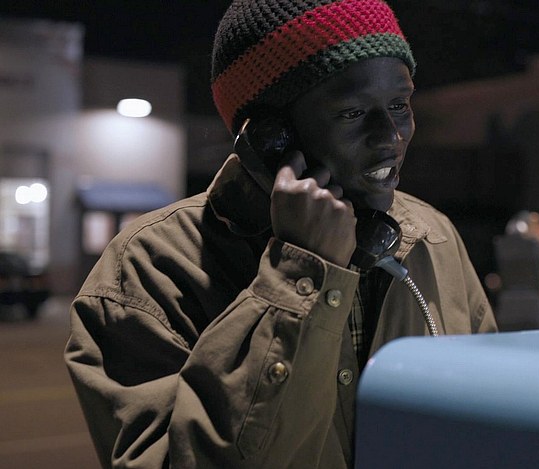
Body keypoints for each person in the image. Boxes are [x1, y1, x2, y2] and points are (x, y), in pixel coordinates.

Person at [64, 0, 496, 468]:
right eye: (353, 112)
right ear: (271, 137)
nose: (391, 136)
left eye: (399, 105)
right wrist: (300, 274)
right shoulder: (148, 270)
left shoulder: (432, 237)